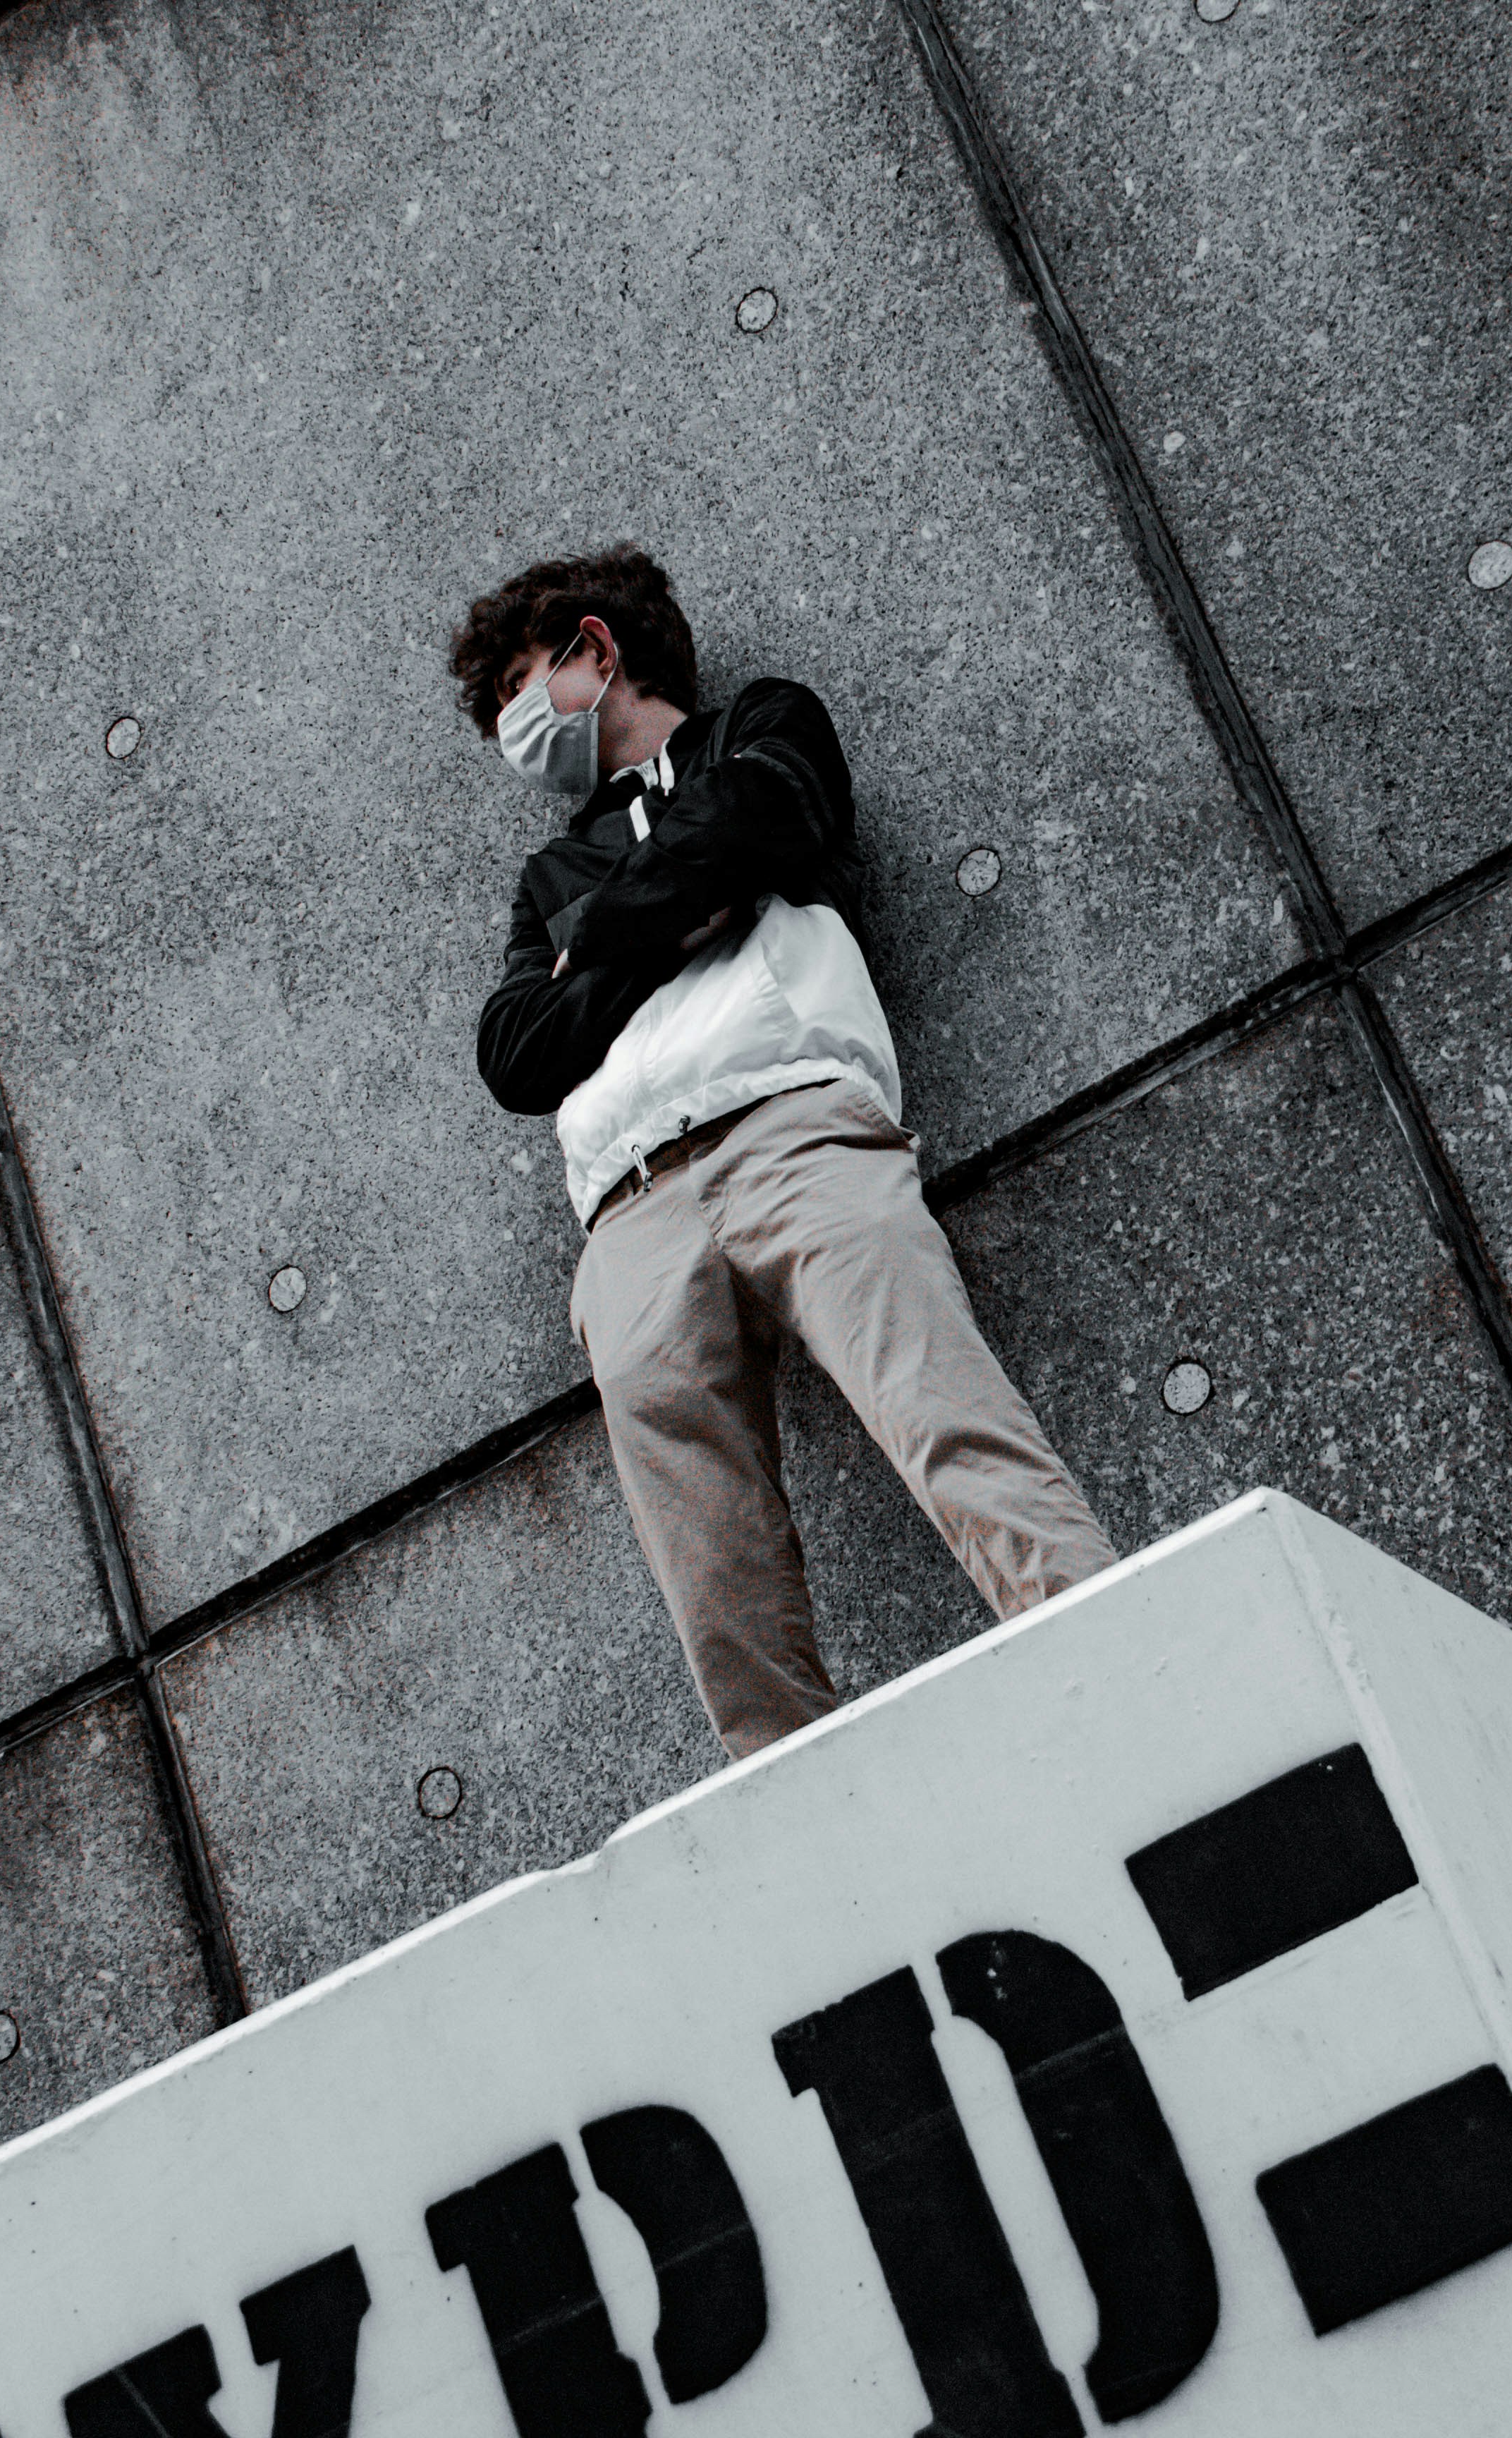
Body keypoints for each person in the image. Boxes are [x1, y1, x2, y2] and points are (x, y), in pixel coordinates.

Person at [454, 545, 1119, 1758]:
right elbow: (513, 1051)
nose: (509, 719)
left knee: (950, 1422)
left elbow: (764, 815)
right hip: (629, 1215)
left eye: (517, 679)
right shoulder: (543, 872)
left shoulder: (760, 727)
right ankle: (815, 1830)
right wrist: (676, 904)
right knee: (716, 1582)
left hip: (794, 1129)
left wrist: (595, 939)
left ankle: (1146, 1688)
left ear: (596, 651)